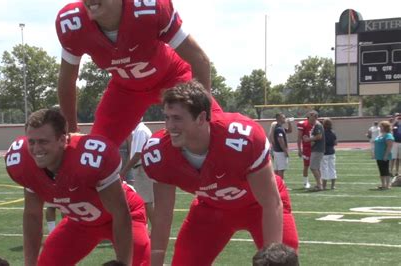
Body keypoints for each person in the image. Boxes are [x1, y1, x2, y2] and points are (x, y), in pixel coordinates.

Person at [141, 81, 299, 265]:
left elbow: (271, 202)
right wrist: (156, 261)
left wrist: (274, 255)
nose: (169, 126)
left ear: (201, 118)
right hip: (211, 208)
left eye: (177, 118)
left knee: (283, 260)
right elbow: (162, 215)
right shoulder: (160, 152)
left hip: (259, 205)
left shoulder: (241, 138)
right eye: (167, 118)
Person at [55, 0, 222, 147]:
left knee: (218, 133)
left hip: (173, 78)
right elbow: (66, 81)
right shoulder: (73, 23)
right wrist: (71, 130)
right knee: (95, 153)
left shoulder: (148, 9)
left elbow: (199, 59)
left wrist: (204, 113)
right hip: (125, 89)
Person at [4, 108, 150, 266]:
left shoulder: (88, 158)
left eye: (43, 141)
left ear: (62, 140)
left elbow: (120, 212)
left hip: (123, 215)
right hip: (79, 221)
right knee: (48, 262)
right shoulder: (25, 163)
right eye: (31, 142)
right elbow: (32, 214)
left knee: (137, 261)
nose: (36, 149)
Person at [120, 120, 154, 228]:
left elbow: (138, 154)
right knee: (144, 202)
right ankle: (146, 228)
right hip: (141, 169)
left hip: (143, 169)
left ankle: (156, 229)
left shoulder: (140, 131)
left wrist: (124, 171)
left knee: (147, 202)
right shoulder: (138, 131)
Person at [303, 111, 325, 191]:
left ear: (314, 117)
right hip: (317, 149)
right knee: (316, 168)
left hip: (317, 149)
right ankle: (320, 184)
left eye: (309, 117)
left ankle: (319, 185)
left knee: (313, 167)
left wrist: (308, 139)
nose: (308, 119)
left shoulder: (317, 125)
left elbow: (319, 136)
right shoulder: (316, 125)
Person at [374, 121, 394, 190]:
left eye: (381, 126)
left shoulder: (388, 135)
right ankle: (383, 184)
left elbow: (389, 146)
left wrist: (386, 155)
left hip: (384, 156)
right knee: (381, 170)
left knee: (385, 170)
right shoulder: (380, 134)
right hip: (379, 156)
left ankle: (388, 185)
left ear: (385, 127)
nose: (380, 127)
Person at [272, 113, 293, 180]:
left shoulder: (281, 128)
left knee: (277, 169)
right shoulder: (279, 129)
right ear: (278, 118)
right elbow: (280, 140)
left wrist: (289, 123)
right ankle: (281, 185)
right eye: (283, 117)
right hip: (280, 152)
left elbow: (289, 131)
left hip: (277, 151)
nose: (285, 119)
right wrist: (285, 151)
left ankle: (277, 185)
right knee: (281, 169)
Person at [297, 113, 312, 189]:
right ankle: (305, 182)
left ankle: (319, 182)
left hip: (316, 148)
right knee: (306, 165)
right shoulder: (303, 124)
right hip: (307, 148)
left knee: (317, 166)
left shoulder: (317, 124)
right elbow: (299, 138)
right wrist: (299, 149)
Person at [321, 118, 337, 190]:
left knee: (324, 169)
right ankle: (333, 185)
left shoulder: (322, 132)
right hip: (332, 152)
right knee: (332, 168)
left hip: (324, 152)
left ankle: (324, 186)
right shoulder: (333, 132)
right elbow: (335, 143)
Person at [390, 113, 401, 177]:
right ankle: (391, 171)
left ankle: (397, 172)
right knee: (393, 158)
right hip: (395, 143)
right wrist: (395, 121)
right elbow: (390, 128)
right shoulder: (395, 125)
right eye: (398, 117)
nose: (399, 119)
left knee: (399, 159)